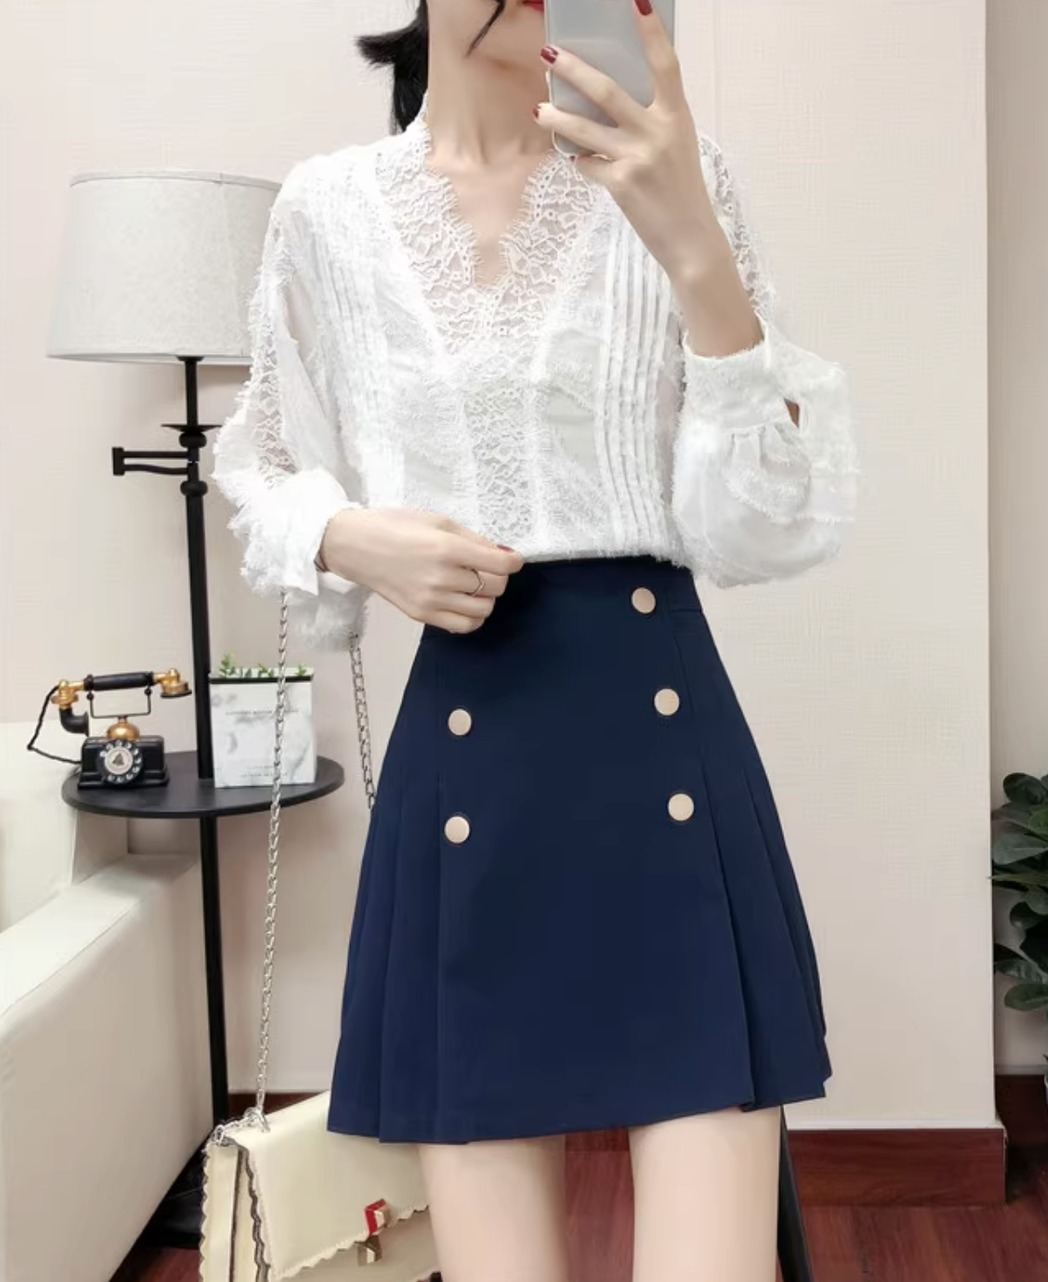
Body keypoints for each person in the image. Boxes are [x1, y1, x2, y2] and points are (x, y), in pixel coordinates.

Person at [210, 2, 859, 1279]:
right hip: (470, 762)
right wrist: (348, 535)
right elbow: (260, 461)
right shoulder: (329, 208)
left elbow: (765, 521)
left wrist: (689, 239)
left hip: (662, 750)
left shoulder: (678, 176)